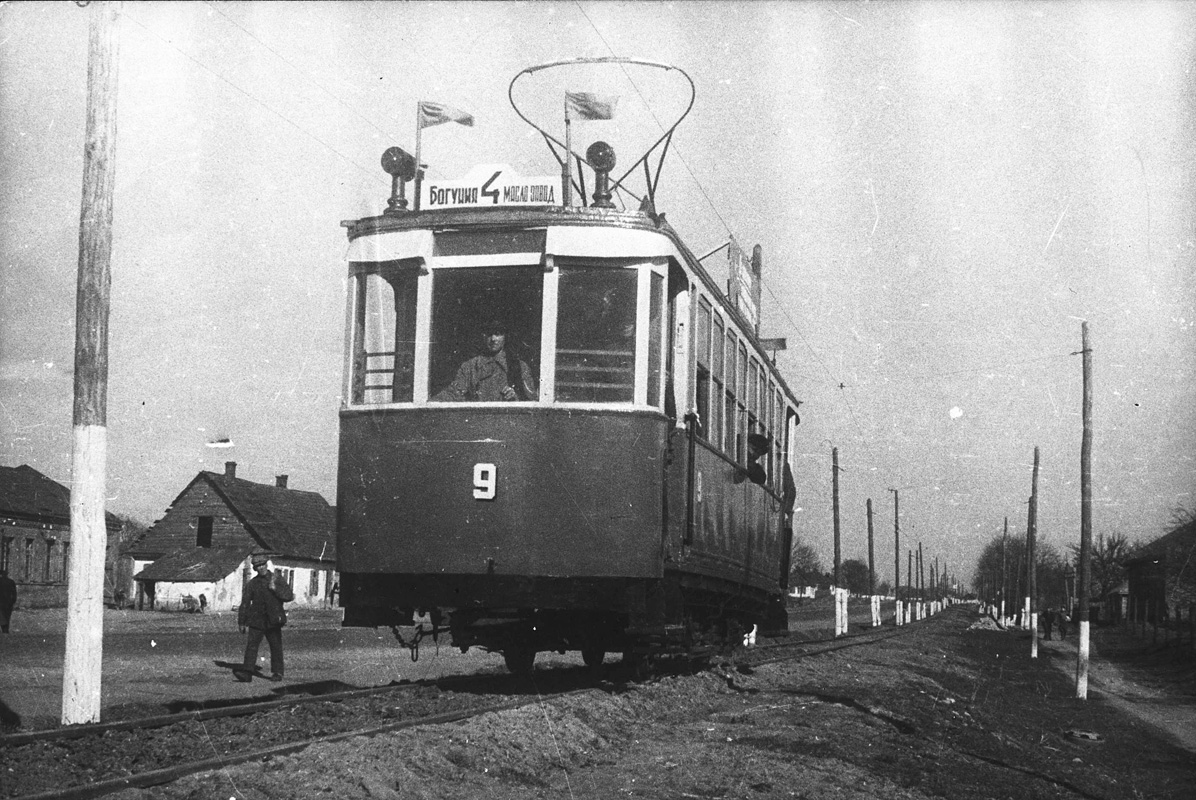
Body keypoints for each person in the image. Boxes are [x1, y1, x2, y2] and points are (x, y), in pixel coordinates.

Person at [434, 319, 536, 402]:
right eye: (489, 334)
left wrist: (516, 398)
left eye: (498, 334)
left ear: (505, 337)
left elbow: (533, 402)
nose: (493, 339)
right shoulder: (470, 367)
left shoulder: (519, 367)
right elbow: (452, 395)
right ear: (482, 336)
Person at [236, 555, 294, 682]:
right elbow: (245, 603)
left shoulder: (277, 579)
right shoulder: (252, 583)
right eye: (257, 566)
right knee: (251, 646)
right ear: (255, 568)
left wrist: (275, 589)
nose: (260, 568)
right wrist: (241, 621)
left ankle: (278, 673)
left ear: (267, 565)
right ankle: (247, 673)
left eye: (262, 564)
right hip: (256, 620)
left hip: (273, 619)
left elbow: (289, 596)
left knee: (276, 646)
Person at [0, 569, 17, 634]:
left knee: (2, 616)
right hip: (8, 602)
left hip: (1, 602)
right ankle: (6, 630)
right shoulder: (11, 581)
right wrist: (13, 601)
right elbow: (14, 592)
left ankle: (4, 630)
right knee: (7, 616)